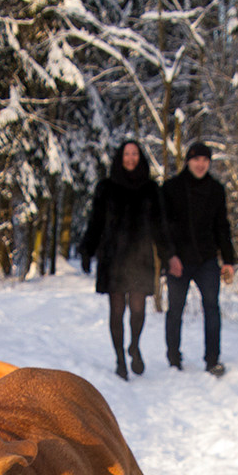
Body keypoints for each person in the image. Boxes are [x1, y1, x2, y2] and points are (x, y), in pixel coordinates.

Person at [81, 139, 172, 380]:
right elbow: (96, 222)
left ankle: (134, 345)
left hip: (141, 258)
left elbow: (160, 226)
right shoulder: (106, 188)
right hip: (114, 258)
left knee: (138, 310)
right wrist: (87, 250)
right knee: (117, 311)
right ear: (120, 158)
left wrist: (166, 256)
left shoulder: (152, 189)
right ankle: (120, 358)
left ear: (140, 158)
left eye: (135, 154)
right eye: (126, 154)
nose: (131, 158)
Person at [162, 141, 235, 377]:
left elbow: (222, 227)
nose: (201, 164)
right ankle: (174, 359)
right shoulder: (171, 188)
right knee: (175, 310)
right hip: (178, 262)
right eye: (196, 159)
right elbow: (162, 228)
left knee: (212, 309)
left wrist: (228, 260)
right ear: (188, 161)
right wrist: (170, 257)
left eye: (205, 160)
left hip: (206, 262)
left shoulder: (216, 190)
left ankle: (212, 360)